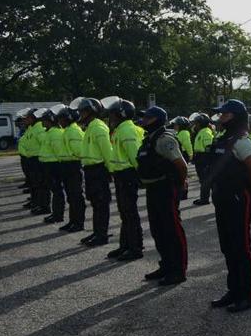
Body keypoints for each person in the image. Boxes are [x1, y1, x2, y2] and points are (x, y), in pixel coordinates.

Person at [207, 99, 251, 313]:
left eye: (225, 115)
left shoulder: (241, 141)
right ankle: (233, 290)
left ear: (236, 117)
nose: (220, 118)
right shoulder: (223, 139)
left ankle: (246, 295)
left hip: (238, 199)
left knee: (241, 247)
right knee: (227, 246)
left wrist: (250, 190)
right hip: (223, 198)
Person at [136, 106, 189, 286]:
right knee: (158, 229)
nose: (144, 121)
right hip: (153, 188)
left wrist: (181, 184)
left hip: (166, 188)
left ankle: (178, 270)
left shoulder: (165, 139)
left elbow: (181, 165)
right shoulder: (150, 139)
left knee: (171, 230)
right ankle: (166, 265)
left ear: (157, 120)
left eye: (148, 118)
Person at [104, 97, 143, 261]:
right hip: (121, 175)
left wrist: (140, 175)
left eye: (112, 114)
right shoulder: (120, 128)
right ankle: (125, 245)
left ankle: (135, 248)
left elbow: (134, 155)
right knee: (125, 212)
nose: (110, 118)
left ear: (121, 114)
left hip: (127, 174)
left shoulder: (126, 130)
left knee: (129, 212)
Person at [73, 98, 114, 247]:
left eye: (83, 111)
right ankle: (97, 232)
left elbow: (107, 151)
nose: (80, 114)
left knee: (101, 203)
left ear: (92, 112)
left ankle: (101, 235)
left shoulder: (98, 127)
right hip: (90, 170)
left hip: (98, 169)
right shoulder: (90, 127)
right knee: (95, 203)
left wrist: (111, 171)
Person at [54, 105, 86, 232]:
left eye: (62, 119)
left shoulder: (73, 131)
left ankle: (78, 223)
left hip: (73, 165)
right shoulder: (68, 130)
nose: (59, 121)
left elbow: (78, 151)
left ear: (68, 119)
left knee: (76, 195)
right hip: (66, 165)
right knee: (71, 196)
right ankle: (73, 221)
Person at [39, 108, 64, 224]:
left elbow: (59, 151)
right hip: (48, 165)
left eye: (44, 120)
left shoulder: (55, 133)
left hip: (54, 166)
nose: (42, 123)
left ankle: (58, 215)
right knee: (54, 190)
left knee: (57, 191)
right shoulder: (49, 132)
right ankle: (55, 213)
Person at [190, 112, 215, 206]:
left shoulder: (206, 132)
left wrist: (208, 161)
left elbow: (209, 147)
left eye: (196, 123)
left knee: (205, 180)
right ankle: (203, 198)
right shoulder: (201, 132)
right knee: (203, 179)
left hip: (204, 158)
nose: (194, 125)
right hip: (200, 157)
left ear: (200, 123)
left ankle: (204, 199)